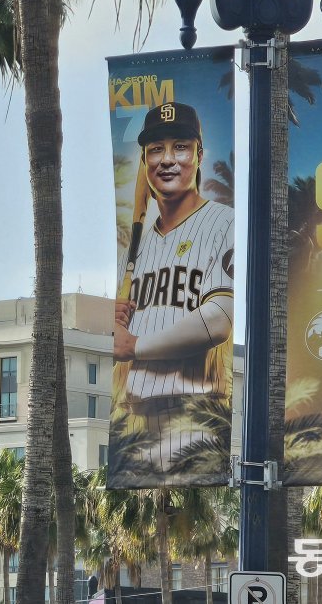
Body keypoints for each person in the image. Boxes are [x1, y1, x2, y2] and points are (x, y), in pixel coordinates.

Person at [111, 101, 234, 477]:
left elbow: (220, 317)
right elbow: (116, 336)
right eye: (155, 149)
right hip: (135, 421)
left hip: (196, 415)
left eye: (180, 146)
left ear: (198, 154)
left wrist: (135, 346)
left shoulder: (223, 222)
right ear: (145, 159)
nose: (167, 159)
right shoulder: (134, 246)